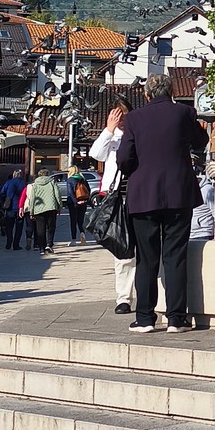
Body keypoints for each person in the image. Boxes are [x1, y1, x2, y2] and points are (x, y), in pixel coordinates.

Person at [117, 74, 209, 333]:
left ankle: (145, 318)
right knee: (175, 256)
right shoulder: (185, 113)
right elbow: (201, 142)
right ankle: (177, 318)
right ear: (171, 91)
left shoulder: (134, 118)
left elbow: (124, 158)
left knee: (146, 259)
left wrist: (139, 169)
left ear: (146, 94)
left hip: (143, 194)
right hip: (179, 193)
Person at [90, 105, 135, 314]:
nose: (121, 119)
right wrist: (109, 130)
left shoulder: (138, 133)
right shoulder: (112, 136)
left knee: (145, 247)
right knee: (121, 247)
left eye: (124, 115)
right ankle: (123, 297)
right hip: (116, 198)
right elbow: (96, 154)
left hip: (137, 194)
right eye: (117, 115)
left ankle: (145, 293)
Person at [27, 167, 64, 253]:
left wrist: (31, 211)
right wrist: (59, 206)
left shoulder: (35, 184)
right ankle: (49, 245)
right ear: (48, 174)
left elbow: (32, 198)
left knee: (40, 229)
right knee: (51, 227)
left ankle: (41, 248)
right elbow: (57, 194)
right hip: (51, 207)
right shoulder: (52, 182)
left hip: (38, 209)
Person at [64, 158, 91, 244]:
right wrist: (85, 200)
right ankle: (82, 234)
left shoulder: (70, 180)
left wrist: (75, 201)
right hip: (83, 202)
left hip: (73, 203)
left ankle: (73, 239)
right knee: (80, 220)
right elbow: (88, 190)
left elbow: (70, 193)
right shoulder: (83, 179)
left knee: (73, 221)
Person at [0, 169, 27, 250]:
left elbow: (2, 192)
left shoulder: (9, 182)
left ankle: (8, 243)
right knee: (19, 227)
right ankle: (16, 244)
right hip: (20, 207)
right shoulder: (23, 183)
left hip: (10, 207)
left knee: (9, 227)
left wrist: (4, 201)